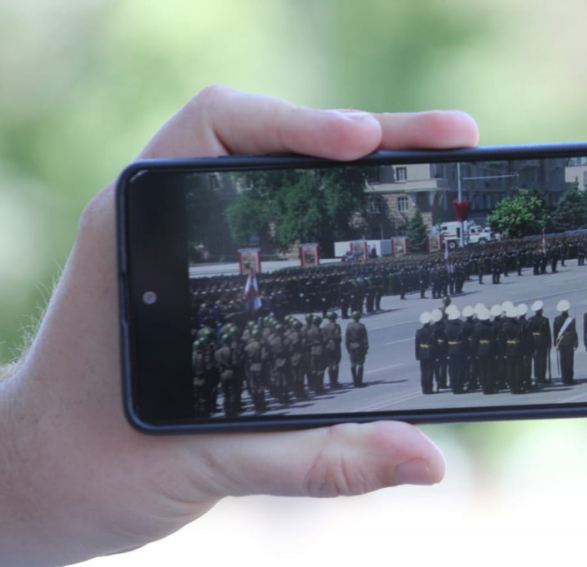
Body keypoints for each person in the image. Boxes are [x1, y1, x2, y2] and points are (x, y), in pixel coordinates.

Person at [0, 86, 473, 565]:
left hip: (321, 358)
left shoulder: (330, 325)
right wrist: (21, 466)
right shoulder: (272, 328)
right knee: (259, 393)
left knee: (308, 382)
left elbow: (342, 335)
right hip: (278, 368)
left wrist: (21, 475)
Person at [552, 299, 579, 385]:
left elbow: (555, 332)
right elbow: (574, 331)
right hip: (569, 341)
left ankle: (564, 378)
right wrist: (576, 342)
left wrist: (555, 343)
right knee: (570, 361)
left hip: (561, 342)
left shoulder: (556, 319)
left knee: (563, 361)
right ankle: (570, 378)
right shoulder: (571, 319)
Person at [527, 300, 551, 388]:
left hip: (533, 340)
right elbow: (547, 333)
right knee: (542, 360)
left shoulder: (530, 320)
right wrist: (549, 343)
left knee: (536, 360)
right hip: (542, 340)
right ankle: (542, 377)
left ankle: (537, 376)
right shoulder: (544, 320)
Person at [345, 311, 369, 387]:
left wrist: (348, 348)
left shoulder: (348, 326)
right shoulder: (361, 326)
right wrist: (366, 348)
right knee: (360, 364)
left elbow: (347, 339)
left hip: (351, 346)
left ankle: (354, 381)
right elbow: (365, 339)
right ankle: (359, 381)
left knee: (353, 364)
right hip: (359, 345)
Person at [415, 311, 436, 394]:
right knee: (430, 371)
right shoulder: (432, 331)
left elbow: (417, 345)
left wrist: (417, 355)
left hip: (422, 353)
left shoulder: (418, 331)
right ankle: (429, 388)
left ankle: (424, 388)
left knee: (423, 372)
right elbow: (434, 344)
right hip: (430, 352)